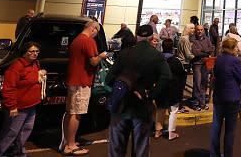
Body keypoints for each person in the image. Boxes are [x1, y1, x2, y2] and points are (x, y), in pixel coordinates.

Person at [106, 25, 172, 157]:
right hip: (141, 106)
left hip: (121, 106)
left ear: (137, 37)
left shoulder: (125, 53)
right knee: (140, 148)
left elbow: (108, 79)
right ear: (151, 38)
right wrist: (151, 93)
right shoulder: (156, 56)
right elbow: (167, 77)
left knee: (116, 149)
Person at [60, 21, 108, 156]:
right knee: (76, 113)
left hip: (73, 80)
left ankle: (66, 141)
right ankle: (70, 146)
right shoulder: (88, 41)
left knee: (69, 112)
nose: (96, 34)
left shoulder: (76, 40)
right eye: (97, 32)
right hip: (81, 81)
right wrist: (102, 56)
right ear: (94, 29)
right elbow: (93, 61)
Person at [0, 41, 45, 157]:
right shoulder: (16, 68)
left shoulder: (35, 64)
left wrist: (40, 73)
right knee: (11, 132)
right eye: (32, 51)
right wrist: (12, 106)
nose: (35, 54)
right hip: (19, 107)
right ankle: (1, 153)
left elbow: (32, 79)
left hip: (31, 105)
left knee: (26, 130)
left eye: (37, 51)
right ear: (24, 53)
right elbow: (9, 88)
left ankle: (19, 152)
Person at [210, 37, 241, 157]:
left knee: (216, 127)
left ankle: (214, 153)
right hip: (231, 98)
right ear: (232, 48)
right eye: (236, 47)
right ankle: (228, 154)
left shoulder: (219, 59)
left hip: (219, 96)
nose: (237, 49)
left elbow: (215, 75)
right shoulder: (234, 61)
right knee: (230, 130)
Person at [154, 38, 186, 140]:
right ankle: (171, 133)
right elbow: (182, 73)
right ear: (172, 47)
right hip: (173, 88)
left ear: (162, 46)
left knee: (160, 109)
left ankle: (157, 131)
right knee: (174, 110)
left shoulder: (158, 59)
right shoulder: (176, 61)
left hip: (161, 87)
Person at [190, 23, 213, 111]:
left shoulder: (207, 39)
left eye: (201, 30)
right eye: (198, 30)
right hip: (197, 64)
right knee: (197, 83)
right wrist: (205, 52)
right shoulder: (193, 40)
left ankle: (202, 103)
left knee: (204, 83)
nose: (199, 31)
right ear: (196, 31)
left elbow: (211, 50)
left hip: (205, 64)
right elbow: (196, 53)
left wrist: (202, 50)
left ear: (203, 31)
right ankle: (195, 103)